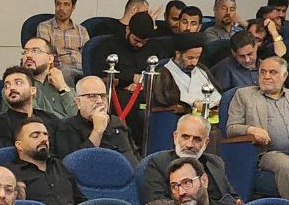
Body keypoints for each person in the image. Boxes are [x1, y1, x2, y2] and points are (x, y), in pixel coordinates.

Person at [225, 57, 289, 201]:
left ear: (284, 76)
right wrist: (251, 130)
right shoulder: (244, 95)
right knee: (285, 166)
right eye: (263, 72)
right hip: (269, 154)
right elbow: (231, 128)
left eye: (273, 72)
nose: (266, 76)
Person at [143, 114, 240, 205]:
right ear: (175, 137)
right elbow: (158, 204)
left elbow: (232, 196)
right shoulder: (158, 163)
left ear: (206, 143)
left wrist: (237, 203)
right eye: (185, 137)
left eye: (197, 139)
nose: (189, 145)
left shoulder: (215, 162)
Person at [88, 11, 154, 139]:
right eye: (136, 40)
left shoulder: (152, 48)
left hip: (144, 92)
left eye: (144, 42)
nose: (140, 45)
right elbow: (101, 75)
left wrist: (141, 84)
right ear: (128, 30)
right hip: (119, 94)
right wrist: (131, 78)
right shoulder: (108, 46)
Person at [52, 75, 139, 167]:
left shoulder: (117, 122)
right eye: (92, 96)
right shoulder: (67, 127)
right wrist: (97, 131)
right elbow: (75, 166)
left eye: (103, 96)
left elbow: (135, 156)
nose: (100, 101)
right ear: (78, 102)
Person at [9, 116, 84, 205]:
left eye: (45, 135)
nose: (43, 139)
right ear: (19, 145)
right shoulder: (11, 173)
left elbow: (80, 200)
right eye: (35, 136)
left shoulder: (58, 165)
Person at [0, 66, 58, 147]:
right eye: (7, 86)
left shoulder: (50, 119)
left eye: (18, 83)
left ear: (33, 90)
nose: (12, 88)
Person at [153, 32, 222, 111]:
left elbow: (217, 92)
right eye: (190, 58)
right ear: (178, 54)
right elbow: (165, 102)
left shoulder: (201, 68)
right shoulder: (164, 73)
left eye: (197, 57)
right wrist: (192, 105)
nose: (194, 63)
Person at [37, 0, 89, 78]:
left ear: (73, 7)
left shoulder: (82, 30)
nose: (61, 8)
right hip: (59, 70)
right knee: (65, 72)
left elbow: (87, 56)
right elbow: (44, 55)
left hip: (81, 70)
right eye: (58, 4)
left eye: (66, 4)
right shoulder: (45, 27)